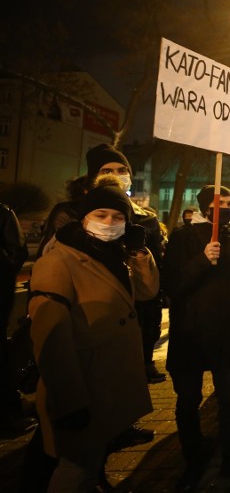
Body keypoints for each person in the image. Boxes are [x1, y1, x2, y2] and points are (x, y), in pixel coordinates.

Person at [28, 176, 158, 491]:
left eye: (118, 217)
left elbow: (147, 291)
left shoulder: (115, 254)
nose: (109, 222)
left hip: (104, 383)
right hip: (80, 386)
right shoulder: (59, 260)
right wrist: (69, 401)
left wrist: (140, 253)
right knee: (74, 471)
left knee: (90, 464)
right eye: (101, 215)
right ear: (84, 217)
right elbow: (51, 338)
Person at [163, 185, 230, 491]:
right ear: (204, 207)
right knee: (188, 401)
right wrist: (202, 260)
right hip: (191, 334)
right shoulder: (182, 237)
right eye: (219, 203)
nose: (226, 208)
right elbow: (173, 285)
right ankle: (192, 457)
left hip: (227, 334)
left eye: (229, 203)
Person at [86, 143, 167, 385]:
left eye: (122, 169)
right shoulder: (71, 212)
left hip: (136, 308)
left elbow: (154, 274)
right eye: (107, 170)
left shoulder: (147, 219)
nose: (116, 176)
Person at [0, 202, 32, 432]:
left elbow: (17, 253)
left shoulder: (3, 213)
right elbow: (17, 252)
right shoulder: (4, 213)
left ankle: (8, 414)